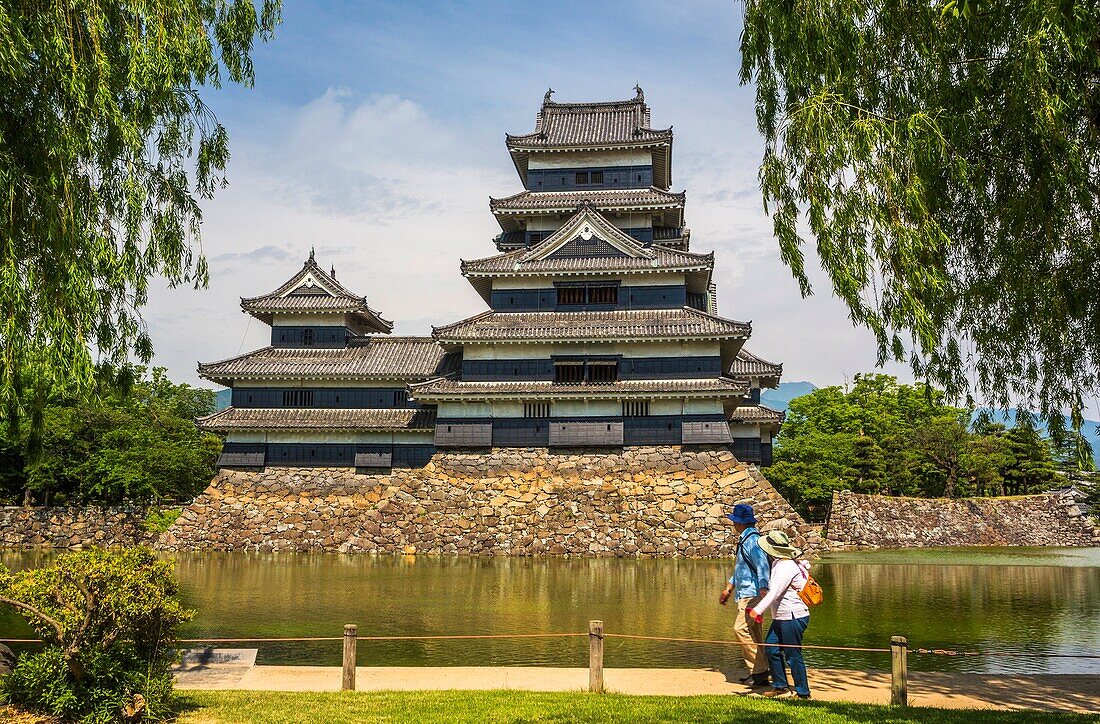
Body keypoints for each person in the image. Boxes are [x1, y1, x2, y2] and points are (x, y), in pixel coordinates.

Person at [747, 530, 811, 700]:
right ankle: (780, 686)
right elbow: (774, 590)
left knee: (792, 655)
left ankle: (803, 693)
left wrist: (757, 610)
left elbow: (774, 592)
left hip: (793, 616)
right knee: (771, 648)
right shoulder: (778, 563)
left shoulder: (785, 566)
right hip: (781, 617)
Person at [718, 503, 770, 688]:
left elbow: (762, 565)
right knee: (755, 634)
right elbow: (741, 569)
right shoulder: (744, 540)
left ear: (739, 523)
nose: (733, 525)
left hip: (753, 594)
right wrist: (729, 588)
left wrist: (763, 588)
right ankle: (760, 674)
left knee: (739, 628)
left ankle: (759, 671)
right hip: (746, 592)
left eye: (735, 522)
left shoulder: (752, 541)